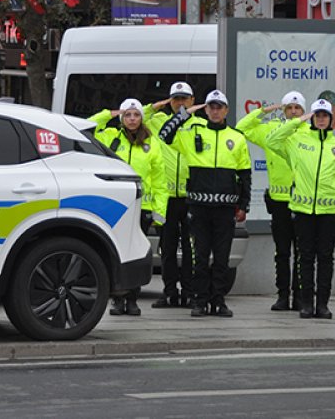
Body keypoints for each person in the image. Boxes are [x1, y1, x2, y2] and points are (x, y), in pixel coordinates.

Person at [158, 90, 252, 318]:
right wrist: (184, 114)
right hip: (198, 207)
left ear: (226, 110)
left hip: (225, 208)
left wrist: (243, 205)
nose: (216, 111)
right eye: (212, 106)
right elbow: (164, 135)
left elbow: (245, 174)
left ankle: (218, 301)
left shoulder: (237, 137)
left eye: (220, 107)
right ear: (206, 109)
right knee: (200, 256)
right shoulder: (192, 132)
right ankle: (199, 300)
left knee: (221, 257)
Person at [267, 99, 335, 319]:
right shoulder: (297, 141)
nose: (322, 119)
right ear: (313, 117)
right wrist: (298, 122)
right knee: (305, 258)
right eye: (318, 115)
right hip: (304, 212)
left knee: (325, 258)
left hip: (329, 214)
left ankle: (322, 304)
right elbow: (272, 140)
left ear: (331, 119)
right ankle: (306, 303)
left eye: (325, 115)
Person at [89, 99, 167, 316]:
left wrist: (159, 214)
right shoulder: (111, 137)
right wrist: (110, 113)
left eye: (136, 115)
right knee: (116, 252)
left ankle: (132, 298)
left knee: (135, 253)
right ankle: (117, 299)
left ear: (142, 118)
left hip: (142, 206)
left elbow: (160, 180)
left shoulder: (152, 142)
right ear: (123, 117)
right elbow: (89, 126)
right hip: (116, 206)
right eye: (128, 115)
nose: (132, 119)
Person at [236, 91, 307, 311]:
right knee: (282, 252)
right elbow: (242, 129)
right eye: (289, 108)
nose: (293, 112)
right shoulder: (271, 129)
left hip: (302, 202)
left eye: (297, 108)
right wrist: (262, 111)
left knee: (302, 253)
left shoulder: (309, 132)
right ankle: (283, 295)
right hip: (278, 201)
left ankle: (300, 296)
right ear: (284, 110)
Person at [143, 81, 201, 308]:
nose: (180, 104)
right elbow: (140, 116)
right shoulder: (158, 122)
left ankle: (188, 291)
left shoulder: (200, 124)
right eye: (175, 99)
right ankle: (169, 292)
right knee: (166, 247)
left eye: (184, 99)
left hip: (189, 195)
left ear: (192, 101)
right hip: (165, 197)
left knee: (189, 248)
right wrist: (156, 106)